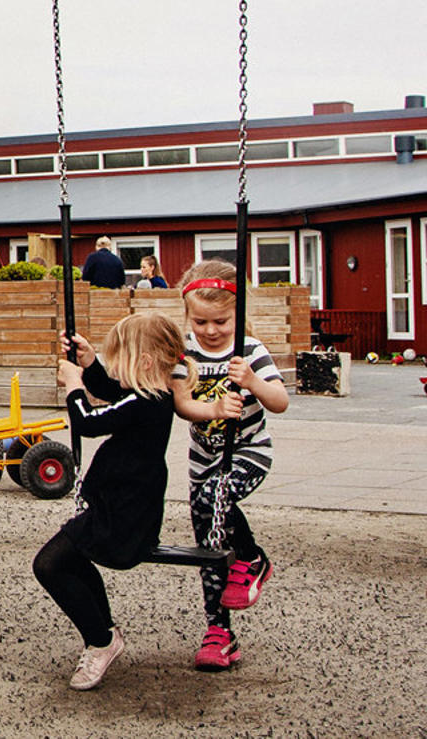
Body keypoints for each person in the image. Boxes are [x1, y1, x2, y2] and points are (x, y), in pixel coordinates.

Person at [33, 313, 239, 690]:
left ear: (144, 363)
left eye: (118, 359)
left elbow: (90, 422)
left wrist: (74, 385)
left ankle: (101, 640)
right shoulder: (147, 396)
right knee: (62, 560)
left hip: (123, 514)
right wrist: (90, 363)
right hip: (119, 506)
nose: (114, 369)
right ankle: (103, 637)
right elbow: (112, 391)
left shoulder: (147, 402)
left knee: (49, 564)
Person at [171, 259, 293, 672]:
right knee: (209, 550)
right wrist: (215, 408)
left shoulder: (249, 351)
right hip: (203, 460)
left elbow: (279, 401)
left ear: (236, 315)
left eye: (220, 321)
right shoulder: (184, 351)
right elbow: (182, 404)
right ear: (188, 316)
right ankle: (219, 633)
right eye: (201, 321)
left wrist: (253, 382)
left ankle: (253, 558)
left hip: (248, 453)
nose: (210, 330)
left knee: (216, 494)